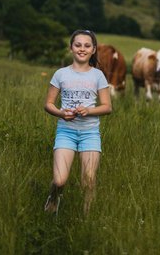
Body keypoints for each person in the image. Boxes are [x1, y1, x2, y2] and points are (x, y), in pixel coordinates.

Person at [43, 29, 112, 215]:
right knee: (59, 180)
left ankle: (86, 219)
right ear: (71, 48)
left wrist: (89, 110)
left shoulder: (98, 75)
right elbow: (48, 104)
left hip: (90, 134)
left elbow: (107, 106)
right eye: (78, 45)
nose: (82, 49)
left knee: (88, 181)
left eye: (87, 46)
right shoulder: (60, 74)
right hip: (66, 132)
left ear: (93, 49)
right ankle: (54, 198)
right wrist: (60, 113)